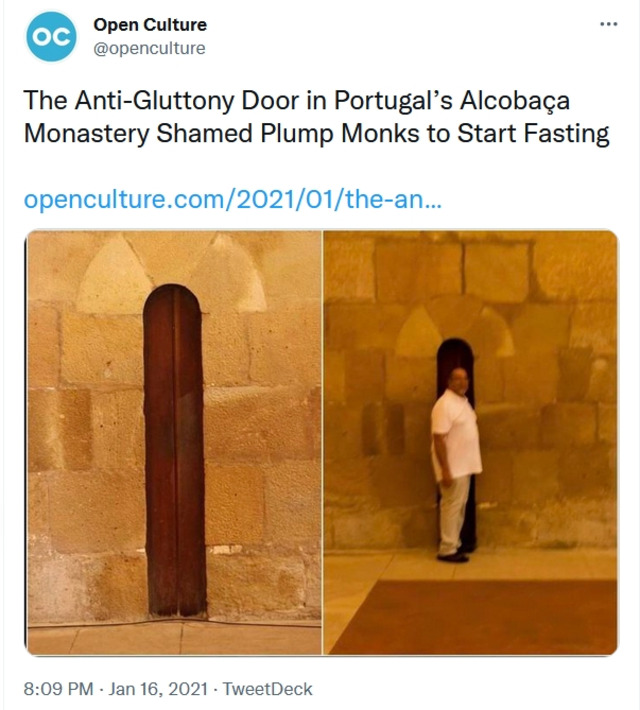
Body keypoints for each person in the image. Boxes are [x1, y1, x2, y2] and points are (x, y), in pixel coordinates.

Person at [431, 367, 482, 563]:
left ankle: (455, 543)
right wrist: (445, 468)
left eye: (465, 379)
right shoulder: (444, 405)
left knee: (459, 507)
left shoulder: (461, 402)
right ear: (449, 382)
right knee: (451, 507)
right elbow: (438, 439)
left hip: (464, 465)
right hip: (452, 467)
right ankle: (447, 549)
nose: (463, 383)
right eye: (458, 379)